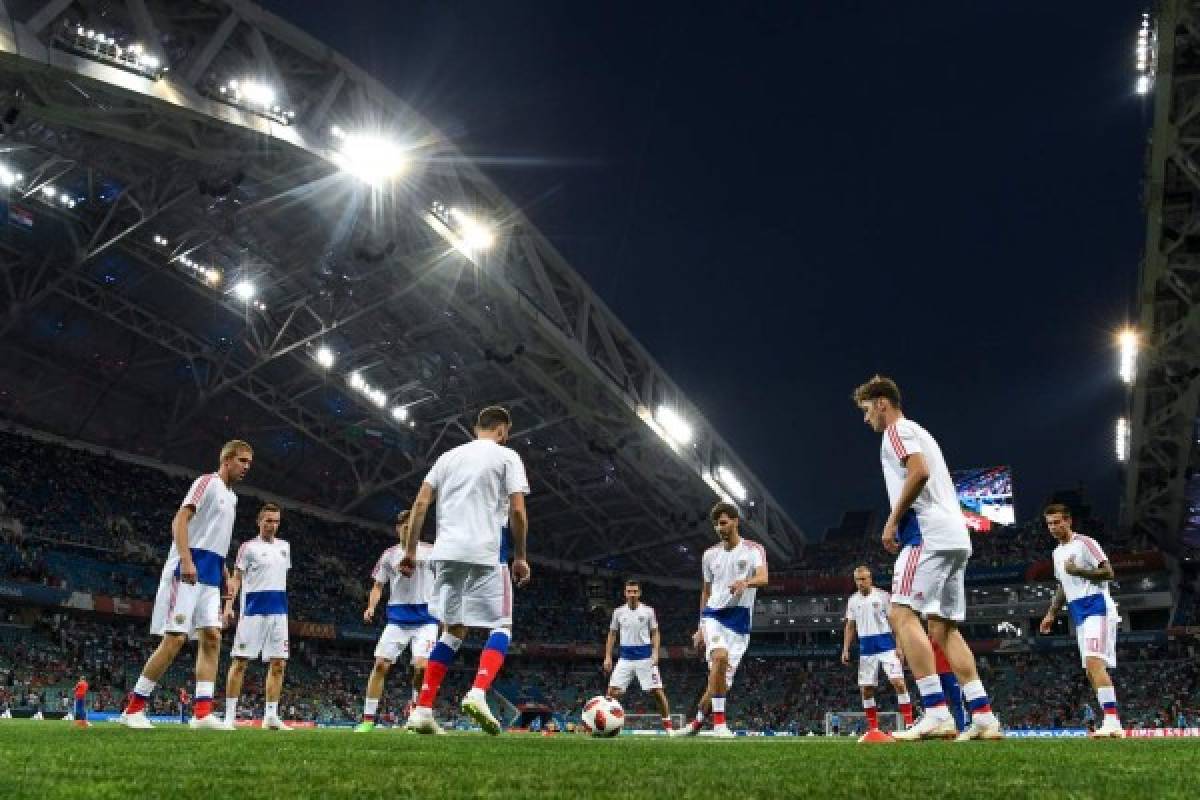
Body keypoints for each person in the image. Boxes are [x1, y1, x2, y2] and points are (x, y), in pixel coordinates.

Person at [852, 376, 1002, 741]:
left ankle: (936, 712)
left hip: (927, 534)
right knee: (943, 628)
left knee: (901, 613)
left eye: (867, 409)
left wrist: (891, 522)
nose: (866, 418)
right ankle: (983, 716)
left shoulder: (896, 431)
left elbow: (918, 473)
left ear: (882, 403)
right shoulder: (923, 431)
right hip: (955, 536)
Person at [401, 406, 531, 735]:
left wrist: (410, 551)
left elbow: (419, 504)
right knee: (501, 626)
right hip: (487, 553)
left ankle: (423, 709)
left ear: (477, 428)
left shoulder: (447, 457)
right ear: (502, 431)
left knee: (454, 629)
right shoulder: (507, 457)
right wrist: (520, 556)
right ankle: (478, 692)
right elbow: (517, 510)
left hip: (446, 554)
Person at [121, 439, 252, 730]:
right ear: (227, 459)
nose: (246, 467)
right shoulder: (207, 482)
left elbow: (217, 541)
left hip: (210, 575)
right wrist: (186, 559)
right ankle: (133, 708)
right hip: (187, 570)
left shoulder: (232, 498)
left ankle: (202, 713)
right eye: (243, 461)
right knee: (176, 639)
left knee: (212, 637)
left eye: (249, 463)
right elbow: (179, 520)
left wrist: (227, 574)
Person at [674, 501, 768, 739]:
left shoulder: (753, 549)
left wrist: (745, 583)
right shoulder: (709, 555)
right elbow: (705, 592)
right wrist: (700, 627)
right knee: (719, 656)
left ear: (736, 521)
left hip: (739, 622)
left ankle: (695, 725)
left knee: (720, 684)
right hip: (713, 616)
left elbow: (764, 577)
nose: (719, 527)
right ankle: (719, 724)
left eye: (723, 522)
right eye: (716, 524)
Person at [1039, 504, 1123, 738]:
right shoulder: (1056, 553)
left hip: (1097, 606)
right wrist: (1051, 613)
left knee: (1096, 664)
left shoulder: (1086, 543)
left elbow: (1109, 572)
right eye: (1049, 524)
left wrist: (1080, 572)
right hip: (1078, 613)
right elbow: (1062, 586)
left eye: (1057, 522)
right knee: (1089, 671)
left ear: (1069, 521)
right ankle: (1110, 721)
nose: (1053, 528)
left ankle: (1113, 721)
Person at [355, 510, 439, 733]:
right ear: (397, 528)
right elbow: (378, 585)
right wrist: (371, 606)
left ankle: (415, 708)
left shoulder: (431, 552)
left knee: (421, 667)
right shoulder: (389, 555)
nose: (408, 529)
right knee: (381, 664)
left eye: (412, 526)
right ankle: (367, 719)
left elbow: (445, 579)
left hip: (427, 619)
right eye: (404, 526)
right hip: (397, 619)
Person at [223, 503, 292, 731]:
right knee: (240, 662)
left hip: (279, 613)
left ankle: (270, 716)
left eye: (276, 521)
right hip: (252, 612)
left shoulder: (285, 547)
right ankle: (229, 716)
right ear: (259, 522)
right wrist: (228, 606)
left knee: (279, 664)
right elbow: (236, 578)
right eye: (268, 521)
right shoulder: (247, 547)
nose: (272, 525)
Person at [841, 566, 913, 738]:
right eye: (858, 580)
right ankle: (873, 729)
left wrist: (900, 646)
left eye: (864, 579)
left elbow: (894, 622)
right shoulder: (852, 600)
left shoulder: (883, 596)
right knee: (866, 689)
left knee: (899, 683)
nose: (861, 583)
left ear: (870, 579)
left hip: (887, 646)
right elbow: (850, 626)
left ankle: (910, 724)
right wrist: (845, 648)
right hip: (866, 649)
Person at [603, 579, 671, 731]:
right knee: (611, 693)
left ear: (639, 593)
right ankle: (610, 726)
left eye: (635, 591)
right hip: (625, 658)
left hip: (645, 657)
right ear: (625, 593)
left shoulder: (648, 611)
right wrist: (607, 656)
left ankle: (669, 727)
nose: (632, 594)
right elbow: (612, 634)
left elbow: (655, 632)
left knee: (657, 692)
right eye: (629, 591)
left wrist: (655, 652)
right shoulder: (618, 612)